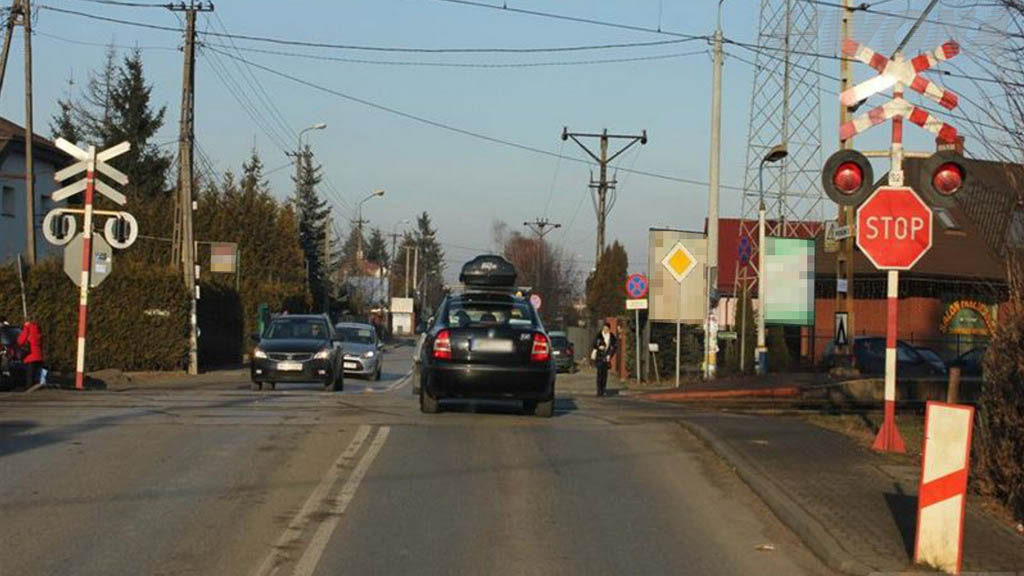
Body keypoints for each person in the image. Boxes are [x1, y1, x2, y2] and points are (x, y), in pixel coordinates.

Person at [591, 322, 618, 397]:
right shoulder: (599, 335)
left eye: (607, 329)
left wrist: (610, 354)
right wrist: (599, 347)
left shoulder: (611, 336)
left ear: (609, 329)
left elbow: (615, 345)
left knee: (605, 375)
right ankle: (599, 391)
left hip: (606, 358)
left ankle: (603, 390)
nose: (605, 330)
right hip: (599, 357)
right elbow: (594, 344)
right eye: (604, 328)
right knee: (599, 374)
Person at [17, 320, 44, 389]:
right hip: (39, 357)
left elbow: (20, 341)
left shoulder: (28, 331)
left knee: (29, 380)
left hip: (30, 357)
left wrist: (25, 328)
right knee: (36, 379)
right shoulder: (38, 332)